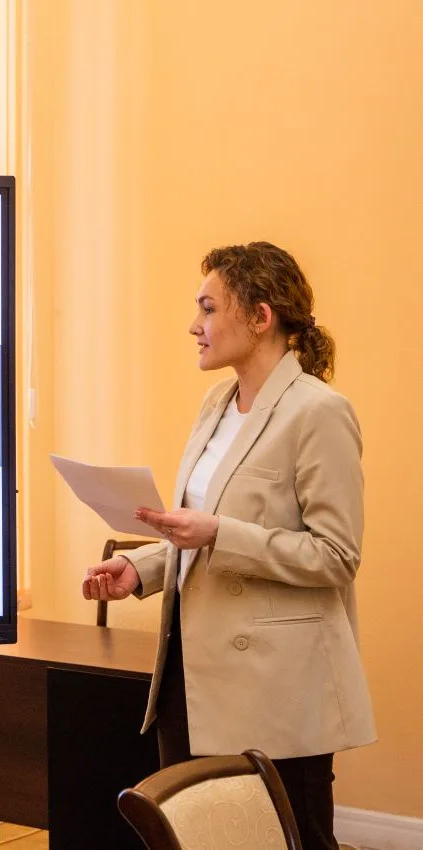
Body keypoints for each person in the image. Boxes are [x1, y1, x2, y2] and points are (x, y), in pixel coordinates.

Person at [81, 242, 374, 850]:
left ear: (260, 316)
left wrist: (219, 533)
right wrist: (140, 568)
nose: (195, 325)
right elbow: (200, 532)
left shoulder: (319, 412)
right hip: (191, 677)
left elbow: (336, 556)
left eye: (208, 308)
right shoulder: (215, 404)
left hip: (277, 690)